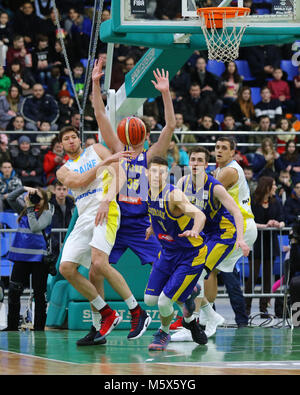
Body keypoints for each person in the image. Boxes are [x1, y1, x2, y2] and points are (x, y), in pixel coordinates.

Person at [56, 126, 151, 345]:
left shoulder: (96, 148)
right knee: (67, 268)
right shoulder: (63, 170)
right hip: (84, 215)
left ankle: (137, 312)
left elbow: (121, 173)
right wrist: (104, 164)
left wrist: (107, 200)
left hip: (105, 208)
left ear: (79, 140)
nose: (71, 140)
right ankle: (103, 316)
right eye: (66, 139)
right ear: (62, 145)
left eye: (73, 137)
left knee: (99, 263)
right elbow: (78, 182)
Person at [171, 147, 250, 342]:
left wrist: (241, 238)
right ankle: (211, 316)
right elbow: (175, 210)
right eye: (193, 160)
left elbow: (237, 213)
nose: (196, 163)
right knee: (186, 276)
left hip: (223, 235)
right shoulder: (182, 182)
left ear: (207, 165)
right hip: (203, 234)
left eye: (200, 160)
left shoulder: (215, 186)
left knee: (195, 274)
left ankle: (193, 324)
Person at [144, 156, 208, 351]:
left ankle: (164, 333)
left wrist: (195, 229)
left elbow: (199, 214)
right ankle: (190, 299)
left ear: (167, 174)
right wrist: (152, 228)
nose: (157, 175)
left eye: (162, 172)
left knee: (164, 302)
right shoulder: (147, 192)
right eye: (154, 171)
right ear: (146, 173)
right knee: (150, 300)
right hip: (168, 252)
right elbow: (159, 216)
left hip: (191, 254)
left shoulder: (174, 195)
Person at [208, 137, 258, 323]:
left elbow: (205, 193)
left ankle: (207, 318)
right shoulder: (221, 169)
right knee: (224, 273)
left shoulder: (228, 171)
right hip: (236, 227)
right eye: (217, 147)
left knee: (208, 267)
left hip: (240, 227)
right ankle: (238, 319)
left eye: (224, 148)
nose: (219, 150)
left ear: (232, 153)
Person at [3, 186, 52, 331]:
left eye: (39, 198)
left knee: (39, 293)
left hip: (38, 259)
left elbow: (35, 227)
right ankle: (11, 326)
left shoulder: (47, 213)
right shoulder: (24, 210)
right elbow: (10, 198)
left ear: (45, 200)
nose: (36, 200)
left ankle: (38, 327)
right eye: (34, 197)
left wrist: (30, 208)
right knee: (14, 291)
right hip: (21, 257)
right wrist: (24, 188)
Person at [244, 177, 285, 317]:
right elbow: (248, 222)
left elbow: (283, 220)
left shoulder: (276, 202)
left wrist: (278, 224)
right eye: (273, 185)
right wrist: (265, 226)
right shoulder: (253, 201)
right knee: (253, 276)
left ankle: (264, 308)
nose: (275, 187)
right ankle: (246, 307)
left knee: (268, 277)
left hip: (270, 243)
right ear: (266, 187)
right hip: (256, 242)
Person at [49, 180, 75, 258]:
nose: (61, 192)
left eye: (64, 189)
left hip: (70, 246)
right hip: (53, 247)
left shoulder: (73, 207)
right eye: (59, 189)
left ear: (67, 191)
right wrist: (57, 244)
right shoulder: (49, 206)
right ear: (54, 190)